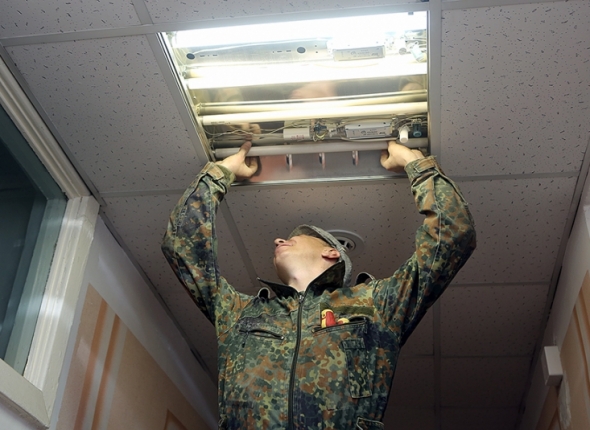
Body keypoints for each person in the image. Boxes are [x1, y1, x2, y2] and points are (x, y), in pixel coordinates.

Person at [162, 141, 476, 429]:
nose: (278, 240)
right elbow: (181, 248)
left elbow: (452, 238)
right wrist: (219, 173)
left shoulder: (374, 304)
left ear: (331, 252)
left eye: (293, 238)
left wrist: (416, 164)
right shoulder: (240, 313)